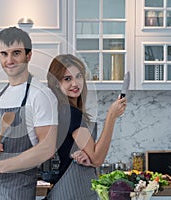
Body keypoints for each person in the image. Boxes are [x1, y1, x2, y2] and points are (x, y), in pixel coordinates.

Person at [0, 27, 58, 200]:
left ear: (29, 55)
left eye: (16, 53)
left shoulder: (40, 95)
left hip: (17, 192)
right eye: (4, 54)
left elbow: (46, 149)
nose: (9, 60)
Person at [45, 54, 127, 200]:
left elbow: (89, 157)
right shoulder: (69, 112)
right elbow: (97, 158)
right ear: (57, 83)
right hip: (72, 191)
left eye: (79, 76)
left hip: (73, 189)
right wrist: (111, 117)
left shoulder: (61, 110)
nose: (75, 83)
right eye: (67, 79)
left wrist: (86, 158)